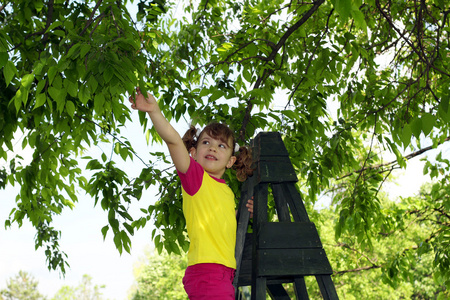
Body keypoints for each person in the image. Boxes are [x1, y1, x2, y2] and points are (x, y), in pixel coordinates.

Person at [129, 88, 254, 299]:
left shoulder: (226, 191)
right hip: (207, 270)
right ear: (194, 153)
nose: (213, 148)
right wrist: (154, 111)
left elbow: (225, 224)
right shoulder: (195, 178)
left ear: (231, 161)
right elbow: (174, 141)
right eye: (206, 142)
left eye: (221, 146)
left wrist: (246, 213)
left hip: (224, 271)